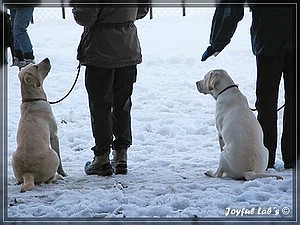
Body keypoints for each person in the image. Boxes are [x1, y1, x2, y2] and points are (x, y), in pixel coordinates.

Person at [201, 2, 296, 169]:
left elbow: (231, 7)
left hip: (268, 37)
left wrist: (217, 42)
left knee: (266, 102)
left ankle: (266, 160)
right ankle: (293, 157)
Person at [72, 6, 148, 176]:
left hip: (100, 50)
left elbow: (85, 17)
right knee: (122, 103)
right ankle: (121, 154)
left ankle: (102, 157)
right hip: (128, 48)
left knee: (100, 105)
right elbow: (142, 10)